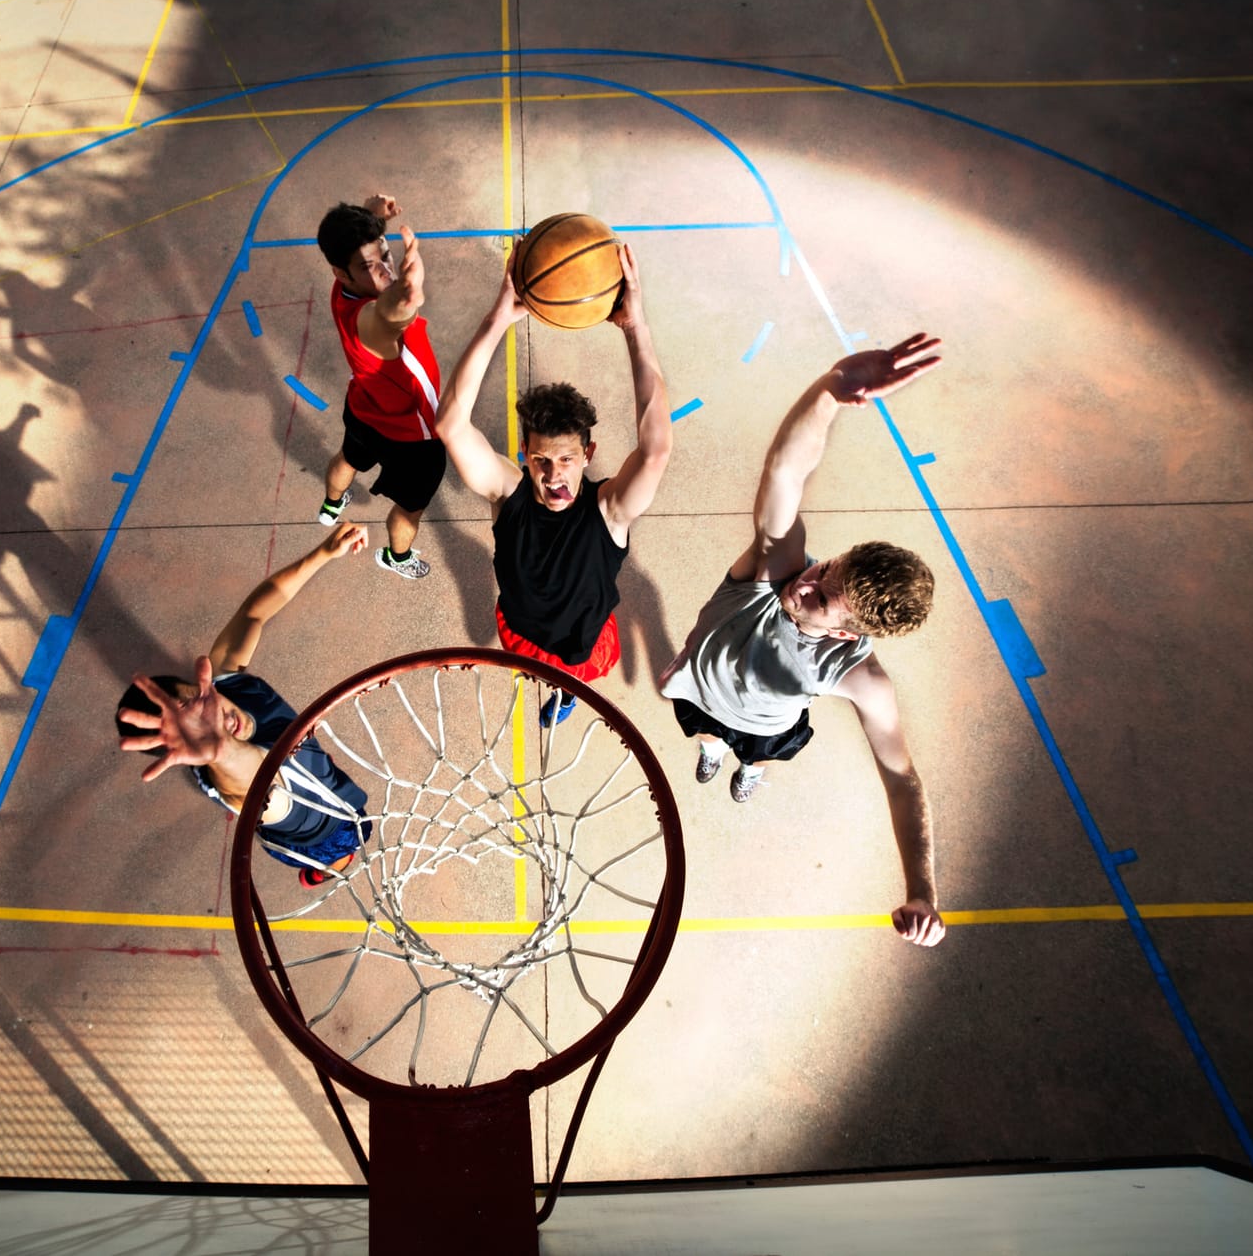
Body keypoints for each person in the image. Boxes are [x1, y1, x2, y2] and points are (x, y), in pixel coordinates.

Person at [658, 332, 947, 946]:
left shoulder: (859, 678)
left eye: (822, 595)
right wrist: (830, 392)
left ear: (846, 632)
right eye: (825, 567)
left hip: (767, 722)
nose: (807, 580)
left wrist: (922, 888)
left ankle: (748, 766)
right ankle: (713, 750)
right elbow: (785, 470)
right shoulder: (774, 569)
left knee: (757, 751)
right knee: (705, 732)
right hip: (702, 691)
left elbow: (901, 779)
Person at [433, 245, 670, 725]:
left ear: (588, 454)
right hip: (522, 631)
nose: (553, 473)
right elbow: (450, 425)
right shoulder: (509, 492)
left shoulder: (609, 510)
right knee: (538, 673)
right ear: (524, 453)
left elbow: (656, 449)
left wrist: (635, 328)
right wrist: (499, 318)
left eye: (566, 459)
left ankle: (567, 696)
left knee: (573, 682)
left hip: (584, 647)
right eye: (540, 458)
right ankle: (558, 692)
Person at [116, 524, 374, 886]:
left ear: (195, 684)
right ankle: (319, 870)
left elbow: (255, 611)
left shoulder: (225, 680)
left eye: (193, 700)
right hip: (321, 835)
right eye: (197, 727)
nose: (218, 720)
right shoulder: (247, 787)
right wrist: (221, 751)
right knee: (356, 839)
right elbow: (259, 781)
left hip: (313, 770)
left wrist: (324, 553)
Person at [313, 193, 446, 581]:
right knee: (409, 509)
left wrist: (372, 215)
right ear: (342, 273)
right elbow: (391, 309)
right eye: (370, 267)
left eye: (386, 256)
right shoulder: (373, 317)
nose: (385, 271)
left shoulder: (344, 290)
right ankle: (397, 557)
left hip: (362, 408)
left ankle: (331, 506)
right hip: (412, 437)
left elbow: (364, 254)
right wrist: (411, 290)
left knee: (347, 459)